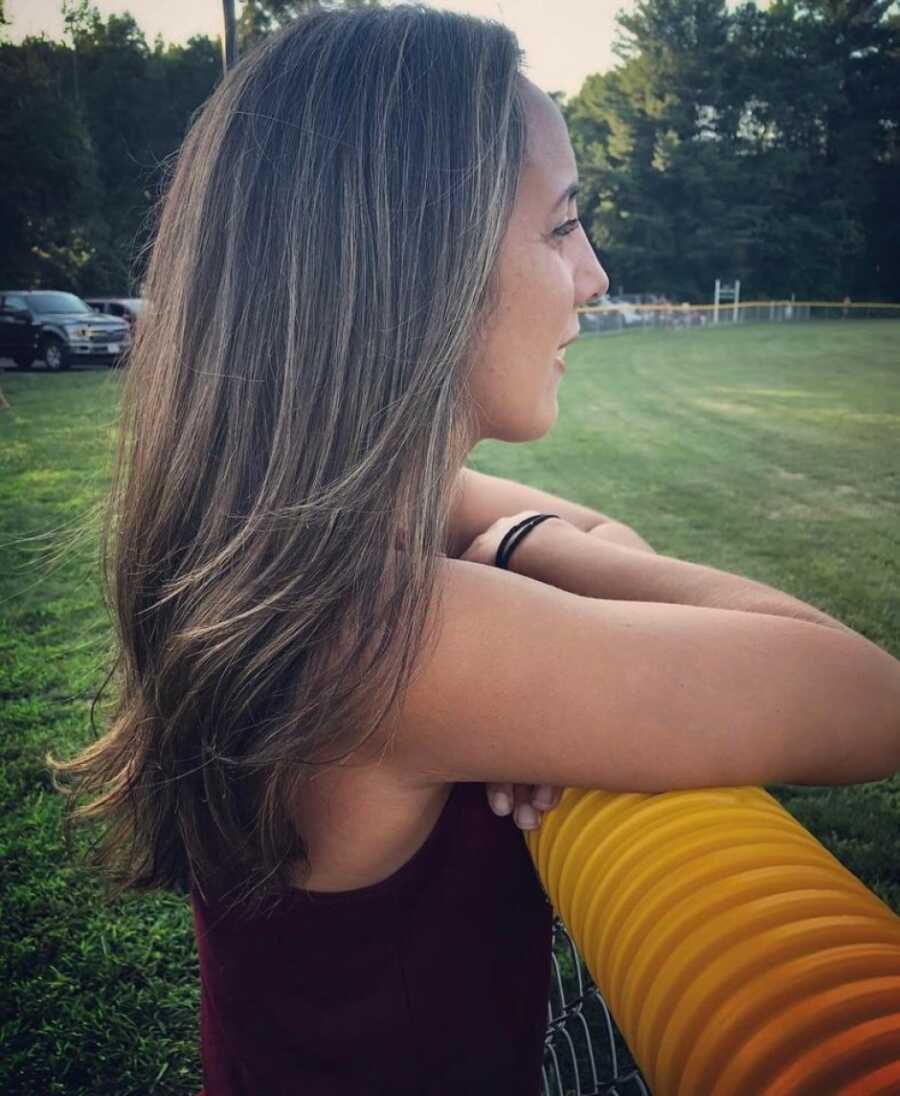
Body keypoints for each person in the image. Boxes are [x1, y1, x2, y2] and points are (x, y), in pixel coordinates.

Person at [48, 6, 900, 1095]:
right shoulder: (388, 633)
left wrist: (520, 550)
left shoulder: (289, 537)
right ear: (416, 264)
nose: (594, 275)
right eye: (560, 228)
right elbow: (867, 695)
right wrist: (530, 554)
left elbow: (591, 536)